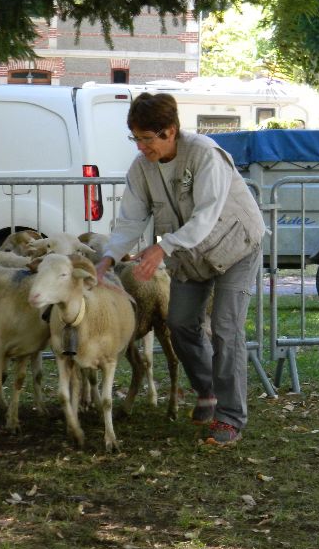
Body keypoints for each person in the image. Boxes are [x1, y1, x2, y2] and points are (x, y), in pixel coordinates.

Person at [95, 93, 265, 445]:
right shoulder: (141, 168)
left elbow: (206, 216)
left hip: (236, 248)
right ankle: (209, 392)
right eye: (136, 138)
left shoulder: (205, 155)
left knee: (225, 328)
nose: (141, 147)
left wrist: (162, 247)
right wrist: (108, 259)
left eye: (146, 138)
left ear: (169, 131)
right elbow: (129, 220)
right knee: (179, 323)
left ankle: (231, 417)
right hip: (191, 256)